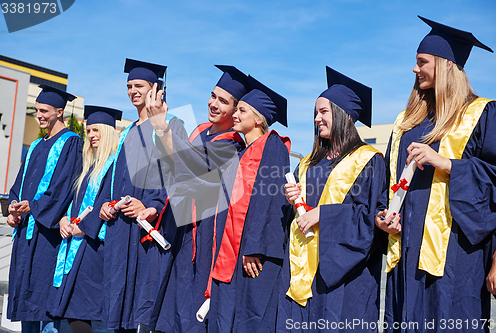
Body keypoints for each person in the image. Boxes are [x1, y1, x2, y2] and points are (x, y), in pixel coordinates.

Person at [374, 16, 496, 332]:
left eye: (421, 62)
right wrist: (386, 216)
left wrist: (447, 164)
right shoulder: (406, 123)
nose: (415, 70)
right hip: (406, 254)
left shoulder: (480, 115)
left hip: (456, 255)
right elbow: (385, 183)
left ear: (444, 66)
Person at [277, 66, 386, 333]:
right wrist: (295, 201)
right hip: (302, 272)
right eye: (315, 112)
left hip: (345, 279)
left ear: (345, 115)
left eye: (323, 111)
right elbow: (298, 217)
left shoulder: (368, 161)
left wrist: (323, 215)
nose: (317, 118)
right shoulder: (306, 164)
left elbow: (370, 219)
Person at [145, 65, 246, 333]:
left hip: (205, 236)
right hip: (182, 230)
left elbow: (193, 168)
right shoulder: (200, 130)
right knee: (172, 312)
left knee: (192, 316)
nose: (213, 104)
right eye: (213, 96)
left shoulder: (232, 144)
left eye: (223, 101)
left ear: (236, 110)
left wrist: (162, 129)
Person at [99, 59, 185, 333]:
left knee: (145, 311)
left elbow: (178, 172)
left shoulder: (172, 124)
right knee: (119, 312)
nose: (133, 90)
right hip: (120, 230)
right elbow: (114, 178)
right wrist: (105, 203)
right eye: (129, 86)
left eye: (139, 85)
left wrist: (152, 205)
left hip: (150, 230)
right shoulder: (126, 132)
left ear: (156, 89)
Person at [206, 74, 291, 333]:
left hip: (252, 253)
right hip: (231, 248)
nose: (235, 114)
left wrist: (256, 246)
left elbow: (270, 198)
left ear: (258, 119)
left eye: (241, 110)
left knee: (249, 318)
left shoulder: (273, 145)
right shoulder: (242, 150)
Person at [6, 85, 83, 333]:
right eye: (36, 109)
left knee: (45, 297)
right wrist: (13, 210)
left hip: (47, 235)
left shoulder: (71, 143)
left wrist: (34, 206)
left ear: (59, 111)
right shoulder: (37, 145)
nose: (38, 115)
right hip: (26, 233)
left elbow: (63, 188)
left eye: (44, 110)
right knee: (26, 298)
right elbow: (20, 183)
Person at [49, 106, 122, 333]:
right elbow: (75, 203)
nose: (90, 135)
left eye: (96, 130)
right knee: (74, 311)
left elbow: (109, 201)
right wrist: (63, 219)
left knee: (80, 310)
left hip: (94, 248)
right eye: (88, 130)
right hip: (76, 244)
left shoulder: (115, 166)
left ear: (108, 132)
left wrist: (84, 228)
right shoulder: (88, 167)